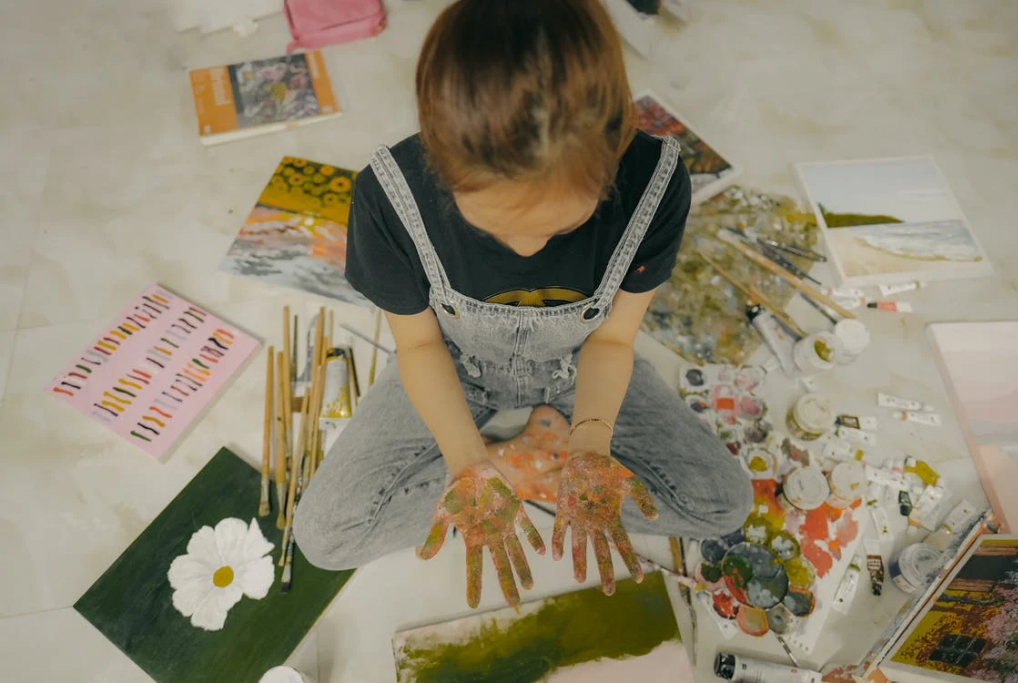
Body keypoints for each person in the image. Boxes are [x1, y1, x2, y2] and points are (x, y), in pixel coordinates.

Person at [293, 0, 752, 609]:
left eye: (557, 226)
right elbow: (421, 343)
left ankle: (546, 463)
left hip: (580, 364)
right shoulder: (389, 194)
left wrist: (590, 447)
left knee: (722, 504)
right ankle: (518, 465)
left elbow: (612, 340)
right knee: (323, 535)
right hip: (453, 364)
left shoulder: (655, 182)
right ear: (440, 159)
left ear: (611, 153)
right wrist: (468, 465)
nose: (528, 247)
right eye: (497, 226)